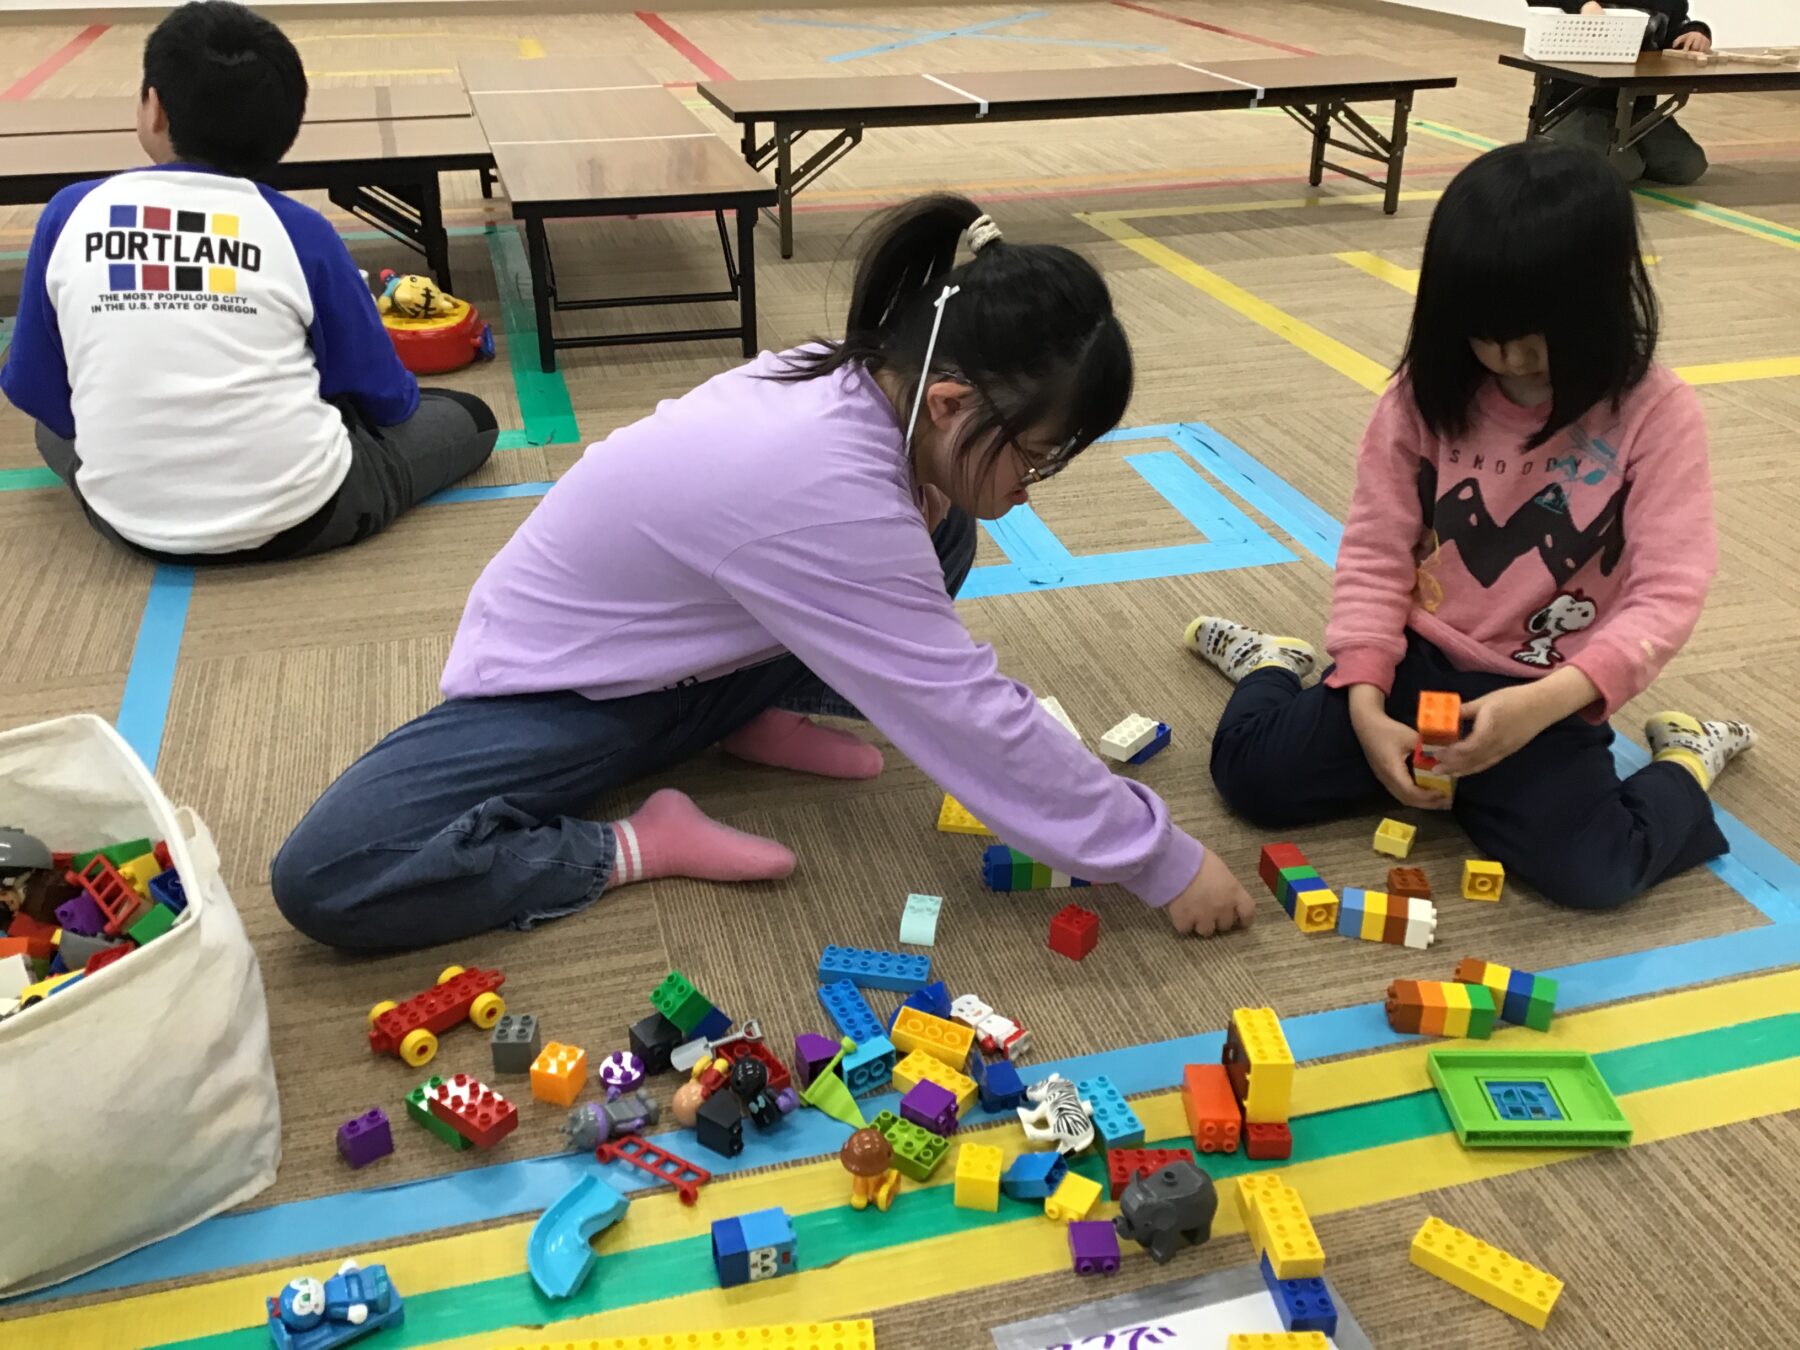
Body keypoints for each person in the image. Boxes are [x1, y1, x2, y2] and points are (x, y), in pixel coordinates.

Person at [272, 194, 1256, 951]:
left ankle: (741, 714)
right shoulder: (825, 486)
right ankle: (643, 839)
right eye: (1035, 459)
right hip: (561, 685)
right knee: (329, 874)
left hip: (692, 655)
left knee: (947, 521)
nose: (1032, 491)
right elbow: (965, 712)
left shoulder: (863, 377)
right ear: (951, 401)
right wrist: (1160, 859)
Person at [1187, 141, 1752, 912]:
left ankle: (1686, 757)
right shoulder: (1423, 395)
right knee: (1251, 778)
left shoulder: (1656, 413)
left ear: (1604, 299)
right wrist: (1365, 699)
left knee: (1596, 872)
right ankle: (1272, 663)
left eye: (1534, 338)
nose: (1507, 358)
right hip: (1415, 659)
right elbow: (1376, 551)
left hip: (1546, 688)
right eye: (1483, 333)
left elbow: (1669, 594)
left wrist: (1542, 706)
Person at [0, 1, 496, 563]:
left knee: (51, 429)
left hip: (128, 522)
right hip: (306, 516)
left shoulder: (69, 212)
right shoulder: (301, 231)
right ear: (285, 129)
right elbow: (387, 399)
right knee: (471, 419)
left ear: (154, 107)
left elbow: (33, 389)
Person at [1534, 0, 1712, 184]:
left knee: (1688, 166)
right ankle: (1558, 143)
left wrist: (1697, 32)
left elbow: (1676, 31)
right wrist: (1584, 4)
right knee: (1624, 168)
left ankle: (1613, 152)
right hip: (1577, 106)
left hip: (1636, 109)